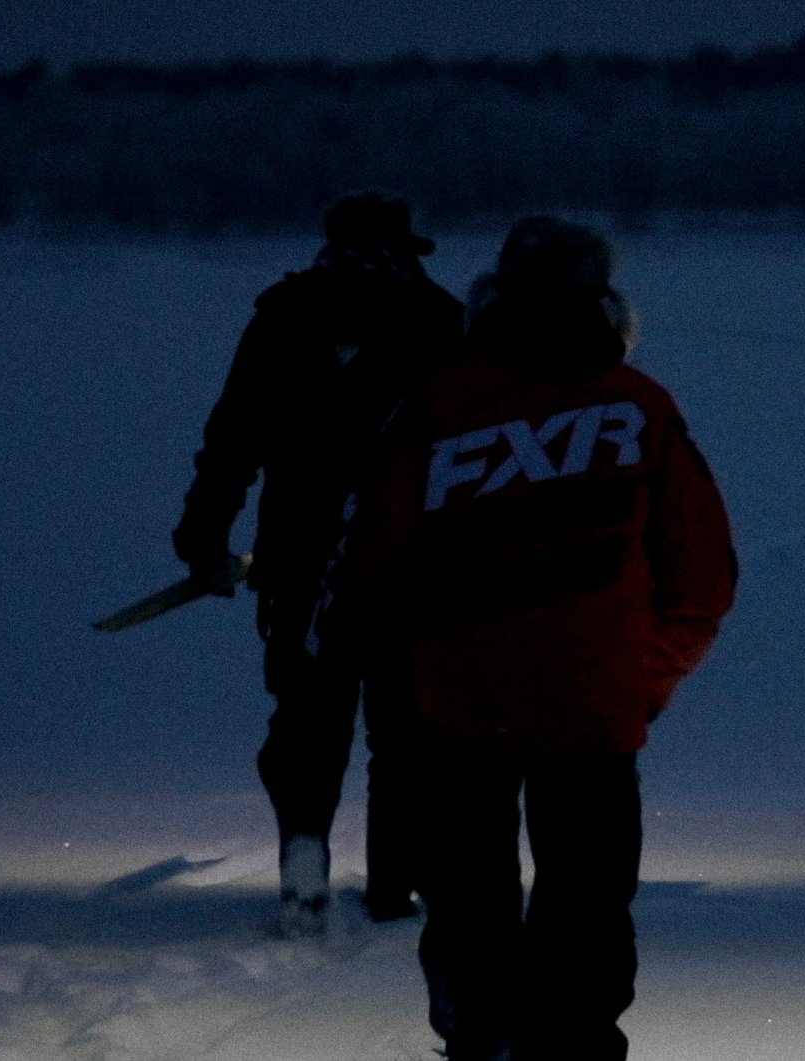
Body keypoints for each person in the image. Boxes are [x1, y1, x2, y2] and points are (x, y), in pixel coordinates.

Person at [328, 216, 738, 1061]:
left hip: (458, 705)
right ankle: (574, 1045)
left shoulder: (437, 405)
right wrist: (643, 680)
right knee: (587, 904)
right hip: (593, 707)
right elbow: (703, 578)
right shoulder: (640, 407)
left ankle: (480, 1030)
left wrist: (391, 666)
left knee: (469, 893)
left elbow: (373, 559)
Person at [172, 190, 463, 930]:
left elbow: (233, 435)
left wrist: (204, 536)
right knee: (404, 730)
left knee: (308, 716)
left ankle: (305, 849)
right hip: (413, 562)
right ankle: (395, 885)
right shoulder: (438, 320)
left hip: (301, 558)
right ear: (406, 247)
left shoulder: (283, 316)